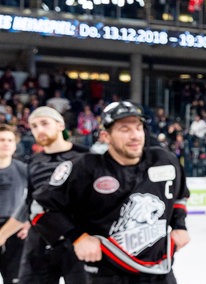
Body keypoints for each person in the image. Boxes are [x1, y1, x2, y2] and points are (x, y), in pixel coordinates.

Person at [32, 101, 190, 283]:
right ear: (106, 136)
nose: (135, 136)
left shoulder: (164, 160)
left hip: (160, 271)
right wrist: (78, 238)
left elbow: (181, 196)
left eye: (138, 128)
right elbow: (40, 208)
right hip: (106, 274)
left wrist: (179, 225)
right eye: (124, 129)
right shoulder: (85, 168)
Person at [0, 106, 89, 283]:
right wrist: (2, 235)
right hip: (39, 241)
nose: (39, 130)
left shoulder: (85, 157)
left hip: (77, 240)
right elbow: (29, 204)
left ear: (60, 125)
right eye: (33, 126)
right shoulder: (33, 162)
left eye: (44, 123)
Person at [0, 124, 28, 284]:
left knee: (15, 279)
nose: (6, 143)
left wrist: (28, 223)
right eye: (2, 140)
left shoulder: (23, 169)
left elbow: (37, 200)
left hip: (14, 230)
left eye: (10, 140)